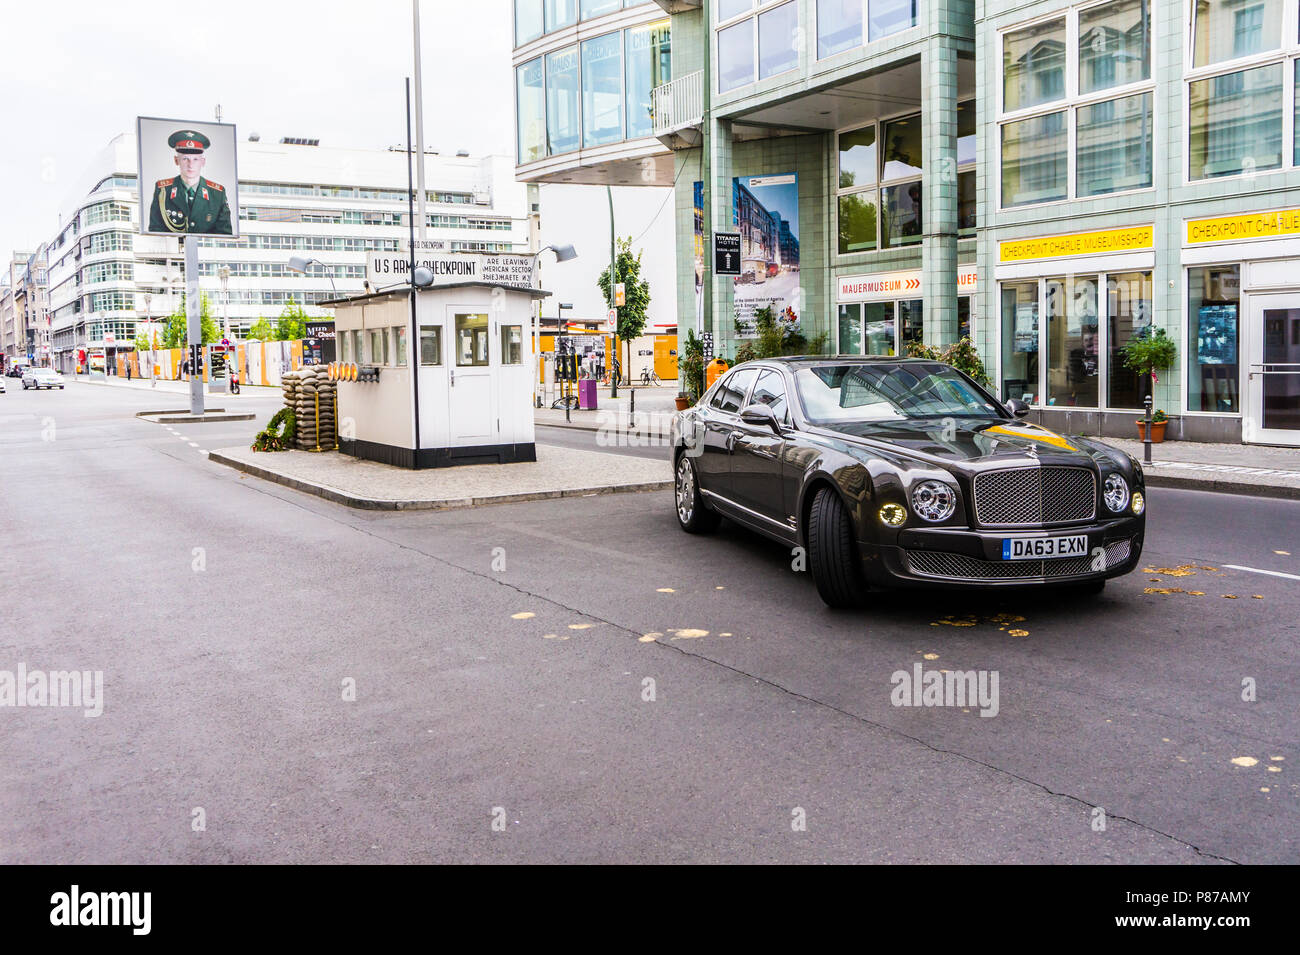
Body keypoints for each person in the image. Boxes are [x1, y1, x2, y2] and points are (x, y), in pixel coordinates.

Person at [147, 130, 232, 235]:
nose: (190, 164)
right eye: (185, 159)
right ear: (176, 160)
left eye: (195, 159)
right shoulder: (163, 190)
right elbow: (156, 231)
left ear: (203, 162)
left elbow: (225, 235)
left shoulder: (217, 193)